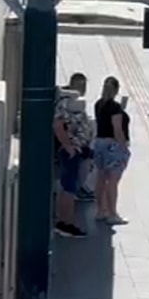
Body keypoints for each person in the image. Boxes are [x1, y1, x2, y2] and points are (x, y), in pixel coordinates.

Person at [52, 73, 93, 238]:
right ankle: (65, 223)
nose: (82, 88)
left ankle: (65, 221)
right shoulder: (65, 103)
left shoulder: (76, 103)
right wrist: (69, 147)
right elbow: (58, 125)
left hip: (77, 150)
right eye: (79, 84)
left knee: (69, 188)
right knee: (69, 189)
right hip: (71, 152)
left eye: (84, 84)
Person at [91, 76, 131, 225]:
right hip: (112, 145)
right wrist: (124, 148)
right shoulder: (115, 108)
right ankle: (112, 213)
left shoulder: (98, 104)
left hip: (99, 144)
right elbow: (117, 130)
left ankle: (101, 210)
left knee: (101, 178)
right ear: (116, 90)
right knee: (113, 180)